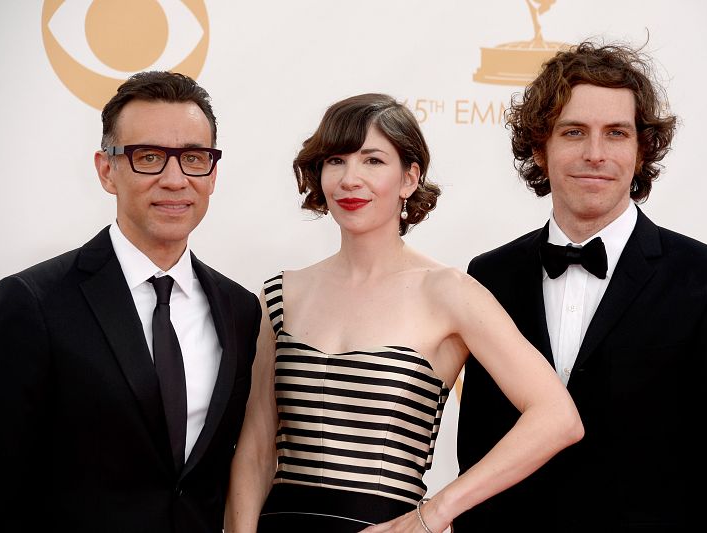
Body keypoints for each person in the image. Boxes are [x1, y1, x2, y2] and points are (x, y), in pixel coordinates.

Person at [223, 93, 583, 533]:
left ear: (409, 178)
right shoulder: (280, 294)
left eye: (373, 161)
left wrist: (434, 513)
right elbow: (257, 450)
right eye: (336, 161)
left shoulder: (449, 292)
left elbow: (557, 418)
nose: (350, 179)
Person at [456, 41, 707, 532]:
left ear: (642, 148)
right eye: (574, 132)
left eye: (616, 133)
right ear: (540, 147)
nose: (595, 153)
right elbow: (477, 451)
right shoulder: (489, 276)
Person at [0, 71, 261, 532]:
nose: (174, 179)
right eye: (149, 157)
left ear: (212, 173)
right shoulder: (31, 302)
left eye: (193, 158)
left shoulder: (241, 310)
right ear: (107, 170)